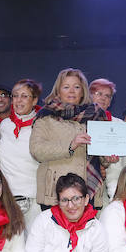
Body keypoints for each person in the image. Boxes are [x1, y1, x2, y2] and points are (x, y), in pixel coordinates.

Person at [30, 68, 107, 207]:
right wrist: (70, 146)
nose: (72, 91)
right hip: (56, 193)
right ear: (58, 91)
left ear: (83, 90)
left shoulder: (96, 115)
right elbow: (37, 150)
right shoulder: (45, 115)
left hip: (88, 191)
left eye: (76, 87)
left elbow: (101, 155)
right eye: (66, 87)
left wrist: (107, 159)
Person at [0, 79, 43, 227]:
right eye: (15, 96)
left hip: (34, 199)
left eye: (24, 96)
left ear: (34, 100)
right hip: (7, 198)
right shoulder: (5, 125)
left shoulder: (42, 126)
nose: (19, 100)